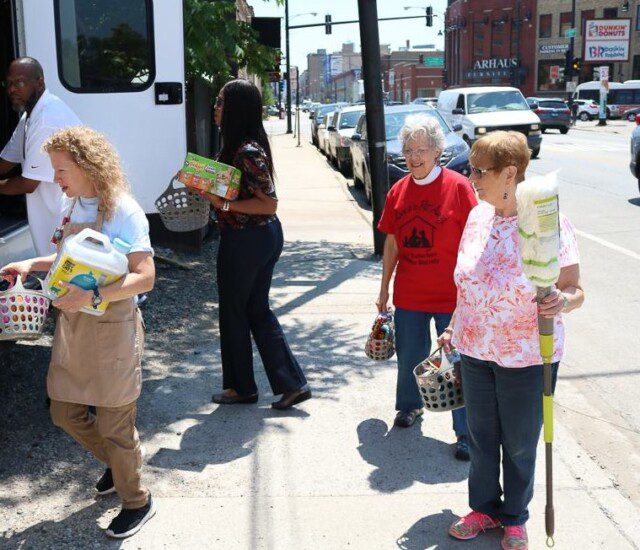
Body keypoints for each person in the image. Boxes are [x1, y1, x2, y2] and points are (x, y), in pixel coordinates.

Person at [1, 126, 156, 539]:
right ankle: (120, 466)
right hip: (75, 324)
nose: (56, 179)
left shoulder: (123, 210)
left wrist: (91, 296)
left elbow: (144, 277)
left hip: (114, 327)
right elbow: (72, 257)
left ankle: (137, 500)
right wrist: (31, 264)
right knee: (64, 412)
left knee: (114, 423)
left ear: (88, 166)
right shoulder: (75, 206)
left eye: (61, 169)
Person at [439, 131, 584, 550]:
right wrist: (453, 325)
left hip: (526, 354)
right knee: (482, 437)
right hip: (475, 349)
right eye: (470, 169)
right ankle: (483, 508)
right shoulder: (478, 217)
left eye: (479, 170)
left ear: (509, 173)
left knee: (519, 443)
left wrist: (562, 301)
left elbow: (576, 289)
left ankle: (515, 517)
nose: (471, 178)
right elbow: (469, 285)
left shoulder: (546, 221)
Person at [201, 79, 310, 410]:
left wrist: (223, 205)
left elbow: (269, 203)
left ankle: (241, 388)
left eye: (220, 103)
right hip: (256, 238)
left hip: (249, 240)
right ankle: (291, 384)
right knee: (255, 310)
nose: (215, 108)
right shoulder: (240, 147)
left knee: (234, 313)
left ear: (235, 109)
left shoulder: (247, 151)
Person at [376, 114, 477, 460]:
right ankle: (409, 407)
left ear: (437, 150)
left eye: (422, 149)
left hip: (452, 297)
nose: (414, 157)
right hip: (410, 295)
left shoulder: (459, 188)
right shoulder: (397, 192)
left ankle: (465, 433)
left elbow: (475, 241)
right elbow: (391, 244)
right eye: (408, 149)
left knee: (456, 365)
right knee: (409, 357)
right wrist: (383, 289)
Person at [0, 57, 81, 256]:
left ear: (39, 83)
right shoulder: (30, 115)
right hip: (51, 214)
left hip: (67, 215)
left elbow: (28, 183)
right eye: (8, 84)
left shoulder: (47, 119)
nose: (12, 90)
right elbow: (7, 161)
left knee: (64, 275)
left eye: (19, 82)